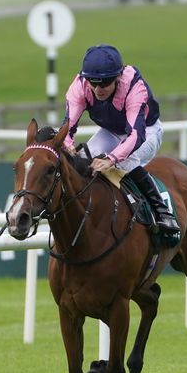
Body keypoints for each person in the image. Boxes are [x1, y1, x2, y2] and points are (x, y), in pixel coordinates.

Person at [62, 44, 179, 233]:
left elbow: (135, 135)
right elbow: (67, 127)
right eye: (93, 82)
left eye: (105, 83)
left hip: (146, 131)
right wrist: (68, 146)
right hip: (111, 131)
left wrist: (111, 159)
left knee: (125, 162)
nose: (99, 89)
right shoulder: (80, 86)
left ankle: (162, 211)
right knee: (82, 159)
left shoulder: (134, 88)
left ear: (118, 77)